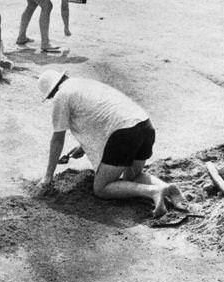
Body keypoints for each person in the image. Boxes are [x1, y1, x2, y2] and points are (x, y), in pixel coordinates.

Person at [36, 69, 187, 217]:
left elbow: (57, 139)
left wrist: (48, 177)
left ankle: (153, 191)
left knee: (101, 188)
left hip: (125, 133)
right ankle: (166, 187)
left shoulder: (61, 95)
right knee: (133, 177)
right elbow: (102, 116)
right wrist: (82, 146)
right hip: (145, 125)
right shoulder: (83, 84)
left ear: (52, 93)